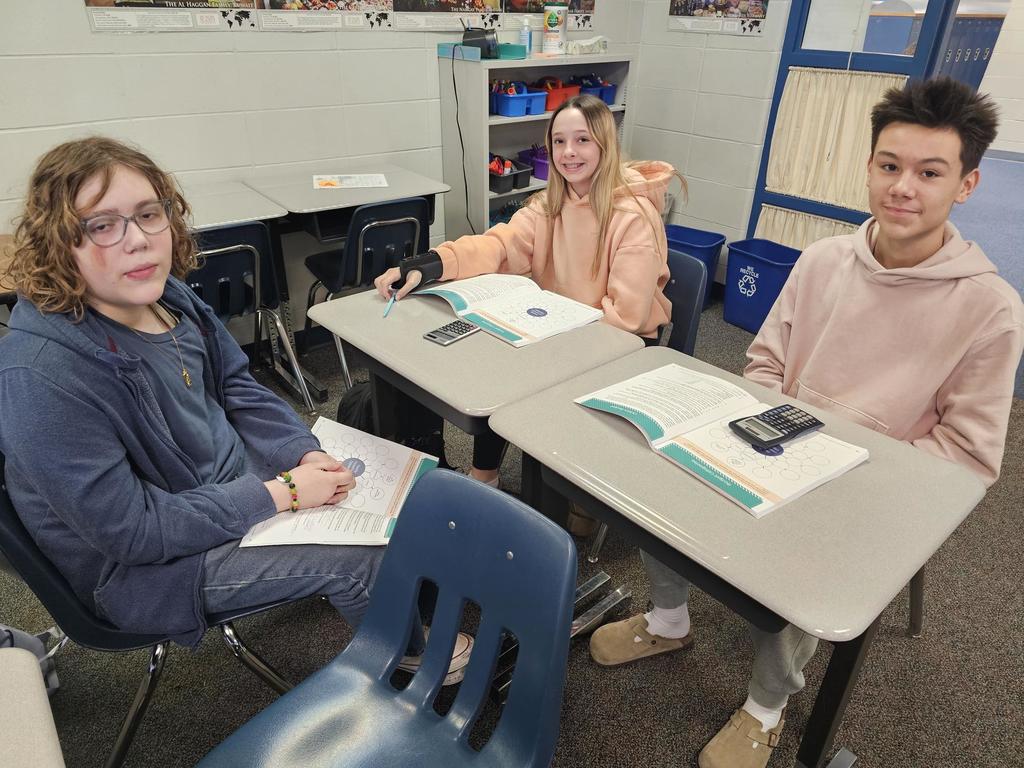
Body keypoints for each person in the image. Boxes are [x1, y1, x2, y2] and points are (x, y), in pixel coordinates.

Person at [589, 76, 1023, 768]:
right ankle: (669, 620)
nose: (902, 187)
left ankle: (767, 706)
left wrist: (840, 465)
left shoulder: (989, 307)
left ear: (965, 185)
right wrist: (767, 426)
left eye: (929, 172)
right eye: (889, 166)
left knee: (819, 550)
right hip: (777, 437)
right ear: (871, 166)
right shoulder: (823, 261)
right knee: (665, 473)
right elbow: (764, 360)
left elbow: (967, 457)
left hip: (876, 484)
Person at [0, 137, 472, 682]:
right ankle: (412, 663)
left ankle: (408, 599)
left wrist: (304, 454)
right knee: (360, 562)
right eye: (102, 225)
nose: (138, 242)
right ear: (59, 243)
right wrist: (284, 493)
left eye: (149, 214)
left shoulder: (167, 296)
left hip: (222, 486)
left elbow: (236, 386)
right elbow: (134, 534)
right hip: (148, 569)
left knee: (388, 487)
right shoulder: (42, 377)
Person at [374, 93, 682, 498]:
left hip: (621, 342)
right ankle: (485, 474)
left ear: (605, 145)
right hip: (561, 326)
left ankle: (560, 496)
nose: (568, 152)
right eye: (558, 142)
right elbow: (499, 245)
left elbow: (626, 317)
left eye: (583, 140)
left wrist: (549, 341)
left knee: (520, 373)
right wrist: (430, 263)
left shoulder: (634, 217)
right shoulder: (551, 203)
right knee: (497, 363)